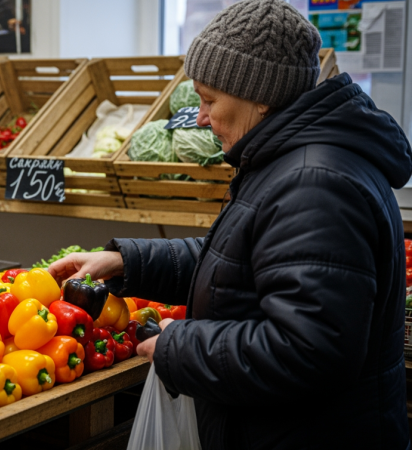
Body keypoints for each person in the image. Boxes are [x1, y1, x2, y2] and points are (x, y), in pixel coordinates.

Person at [49, 0, 411, 448]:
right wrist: (125, 261)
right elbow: (241, 258)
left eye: (209, 99)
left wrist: (178, 347)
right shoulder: (290, 162)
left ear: (260, 97)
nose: (200, 117)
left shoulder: (315, 184)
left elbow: (310, 352)